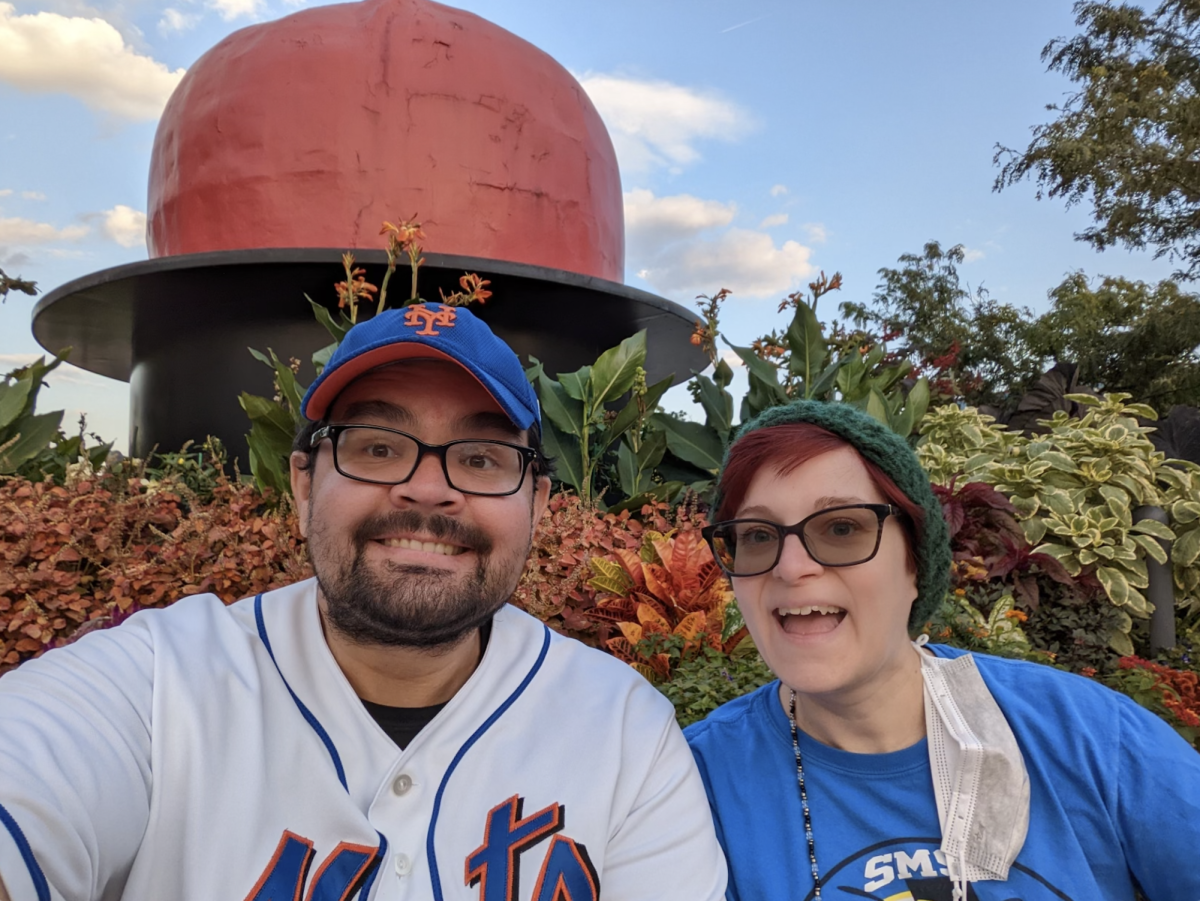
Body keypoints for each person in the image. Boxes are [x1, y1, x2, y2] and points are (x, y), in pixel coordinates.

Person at [0, 303, 727, 901]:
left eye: (480, 458)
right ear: (305, 483)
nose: (427, 488)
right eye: (377, 446)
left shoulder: (626, 733)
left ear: (536, 502)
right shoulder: (157, 687)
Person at [686, 399, 1200, 901]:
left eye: (841, 527)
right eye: (756, 534)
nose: (790, 568)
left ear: (916, 563)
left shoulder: (1086, 735)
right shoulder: (694, 783)